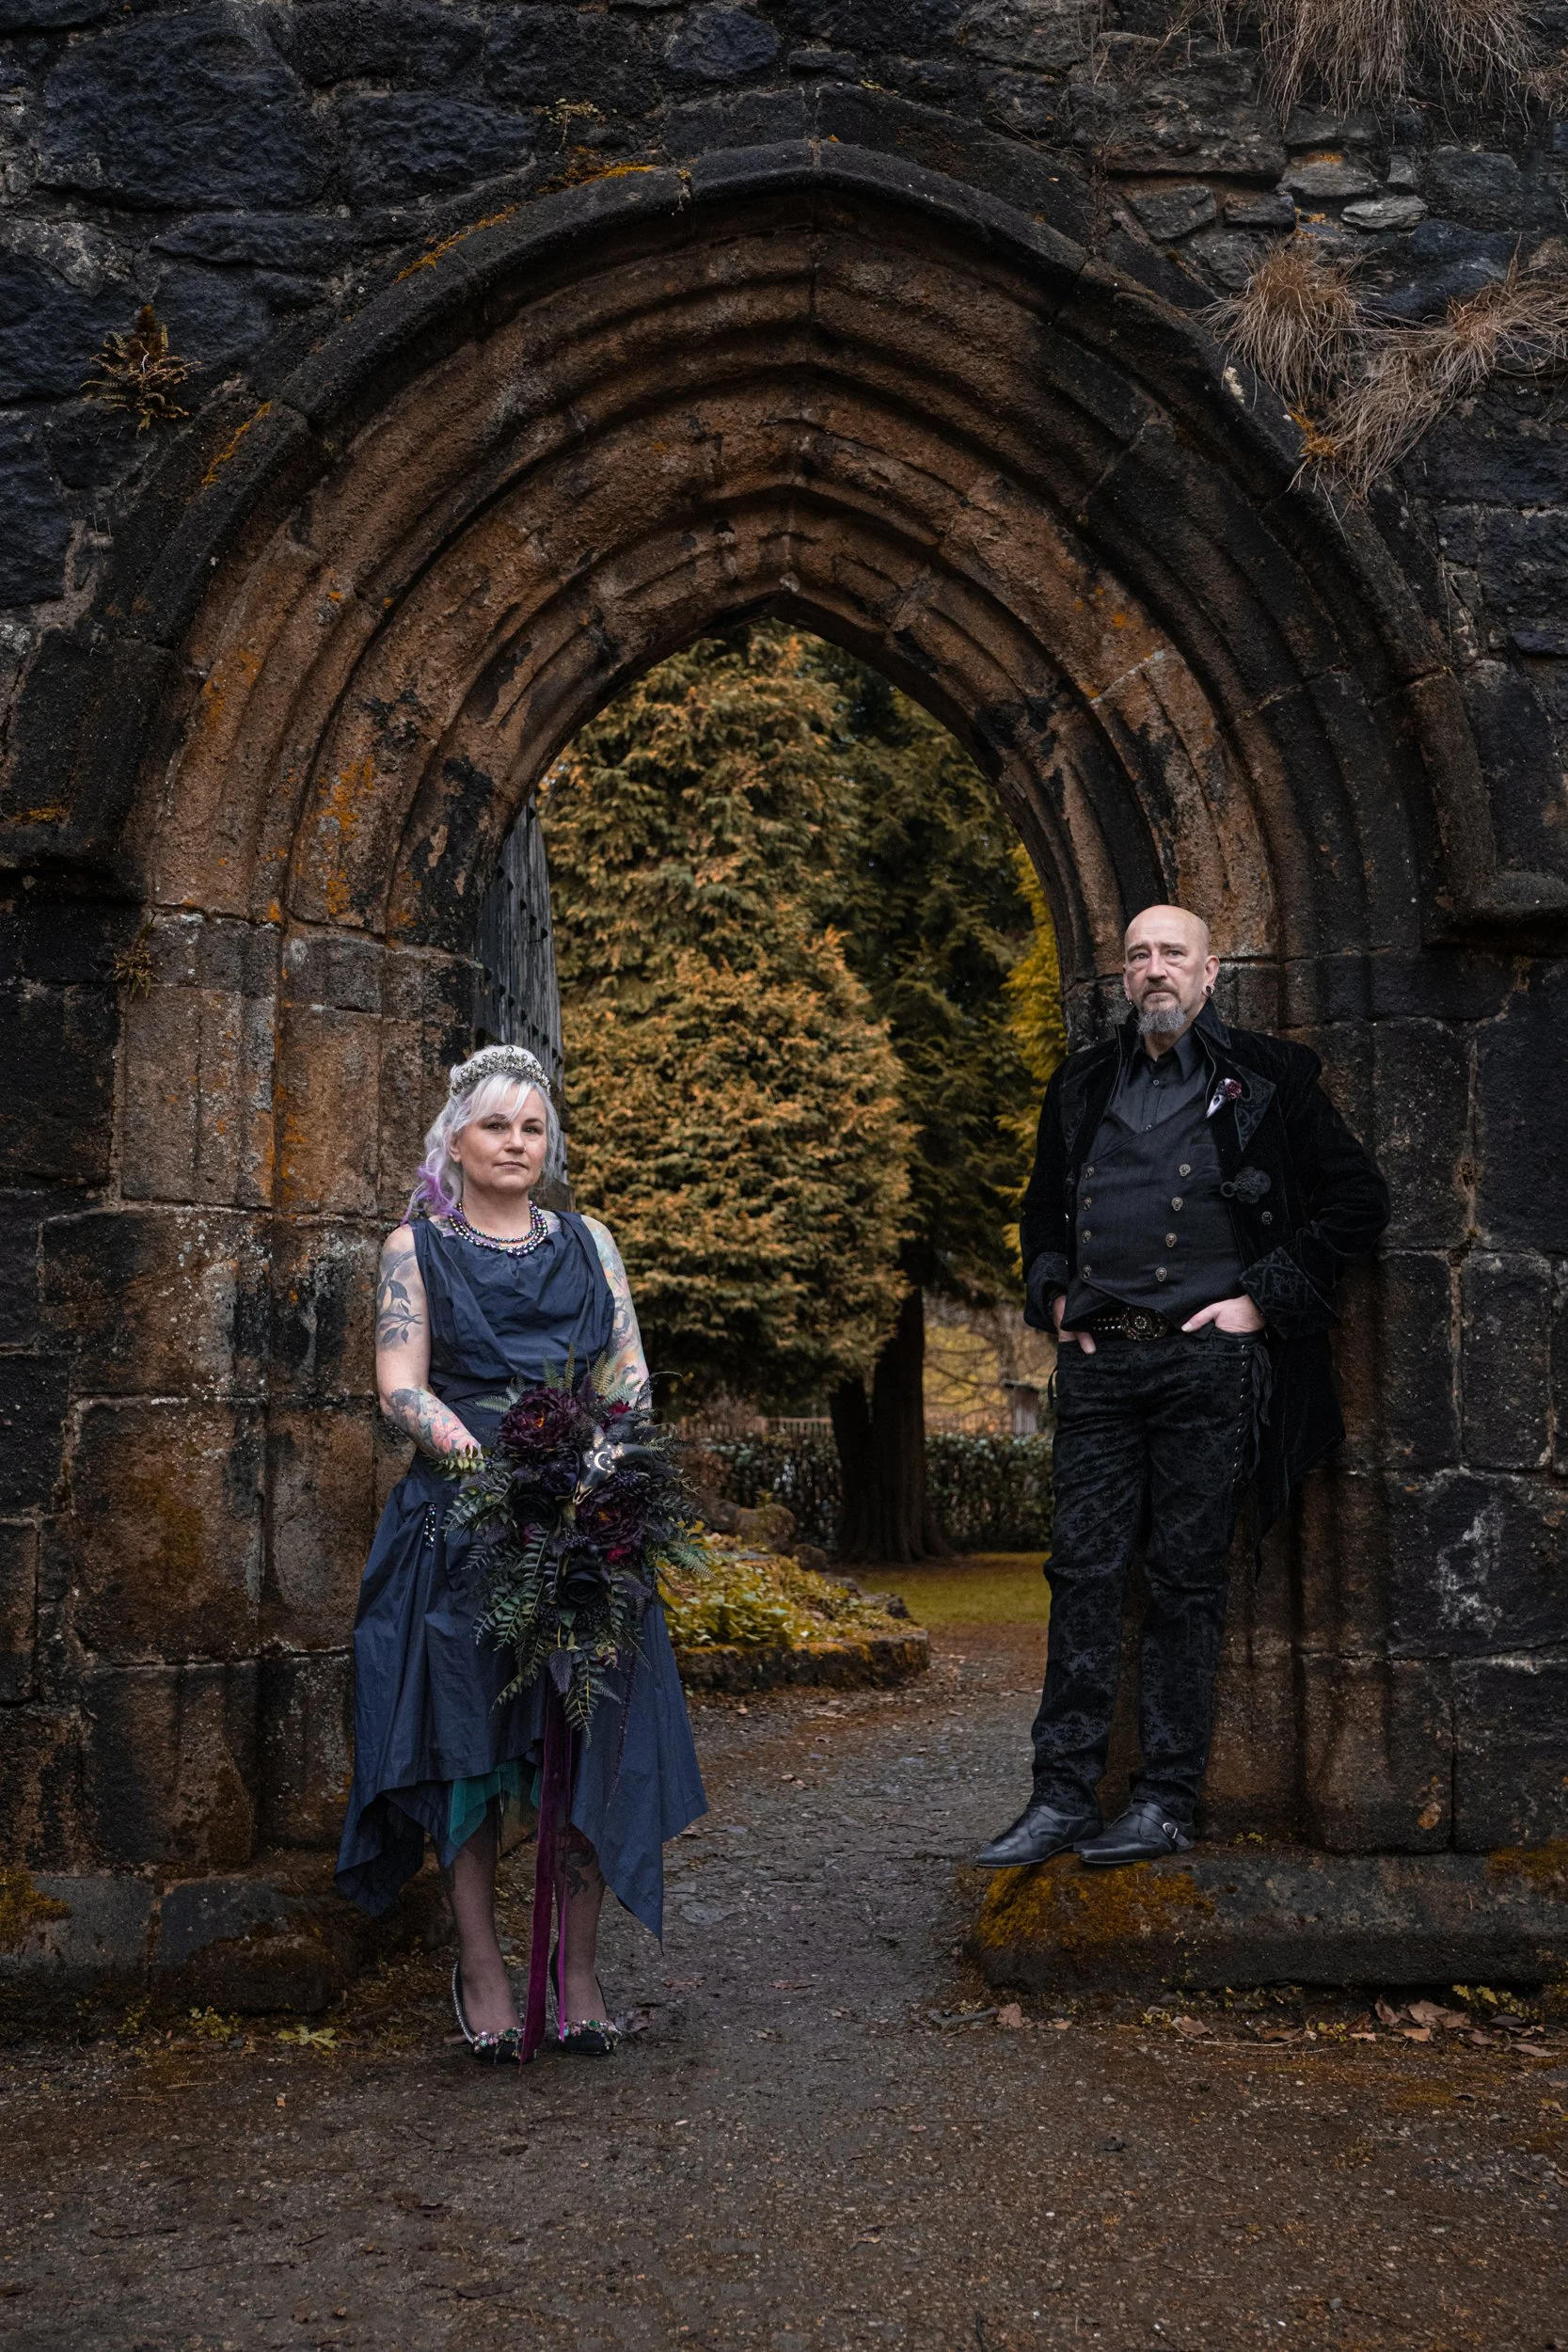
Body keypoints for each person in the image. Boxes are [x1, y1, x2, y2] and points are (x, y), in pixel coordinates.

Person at [978, 906, 1388, 1871]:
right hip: (1096, 1366)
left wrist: (1264, 1298)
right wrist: (1049, 1294)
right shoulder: (1081, 1083)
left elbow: (1357, 1202)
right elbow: (1041, 1208)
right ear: (1121, 978)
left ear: (1209, 973)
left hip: (1208, 1366)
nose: (1153, 969)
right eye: (1137, 955)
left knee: (1184, 1583)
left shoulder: (1268, 1079)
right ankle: (1060, 1796)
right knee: (1078, 1577)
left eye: (1171, 953)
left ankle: (1164, 1799)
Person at [336, 1043, 705, 2058]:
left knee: (588, 1744)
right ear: (453, 1139)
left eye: (532, 1127)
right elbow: (401, 1384)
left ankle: (576, 1969)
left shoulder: (591, 1242)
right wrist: (485, 1468)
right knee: (469, 1752)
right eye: (495, 1124)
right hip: (462, 1524)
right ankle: (485, 1969)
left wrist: (596, 1467)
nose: (515, 1142)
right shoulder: (416, 1246)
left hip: (586, 1516)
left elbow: (626, 1376)